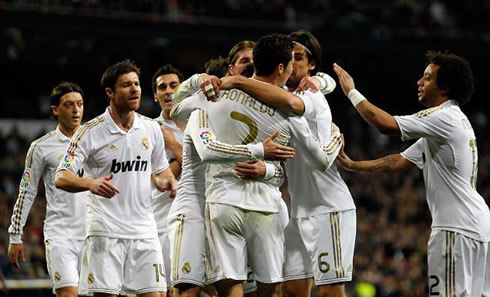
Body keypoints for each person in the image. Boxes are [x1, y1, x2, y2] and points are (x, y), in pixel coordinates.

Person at [333, 51, 490, 296]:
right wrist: (353, 165)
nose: (419, 82)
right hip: (477, 228)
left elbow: (386, 124)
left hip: (455, 228)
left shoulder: (441, 117)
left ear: (444, 88)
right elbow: (399, 160)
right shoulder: (453, 121)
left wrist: (351, 92)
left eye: (427, 78)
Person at [55, 59, 177, 297]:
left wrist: (166, 180)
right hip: (106, 232)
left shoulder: (150, 128)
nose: (134, 89)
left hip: (144, 230)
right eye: (126, 85)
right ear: (110, 92)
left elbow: (160, 169)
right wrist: (91, 183)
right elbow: (61, 177)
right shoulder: (89, 132)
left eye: (137, 84)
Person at [7, 82, 87, 297]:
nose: (76, 110)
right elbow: (27, 191)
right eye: (69, 105)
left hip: (95, 234)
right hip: (61, 235)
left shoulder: (96, 141)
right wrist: (15, 235)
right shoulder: (41, 147)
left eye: (79, 104)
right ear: (55, 110)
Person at [151, 64, 186, 295]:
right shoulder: (151, 130)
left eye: (173, 85)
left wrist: (175, 147)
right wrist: (190, 159)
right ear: (155, 96)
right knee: (172, 288)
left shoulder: (200, 122)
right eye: (162, 87)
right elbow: (161, 179)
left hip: (201, 212)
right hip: (164, 217)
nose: (168, 91)